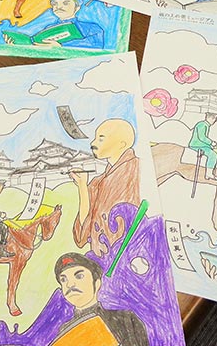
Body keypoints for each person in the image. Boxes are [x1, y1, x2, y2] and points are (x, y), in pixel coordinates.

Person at [69, 119, 141, 256]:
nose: (93, 143)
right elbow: (83, 235)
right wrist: (82, 186)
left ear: (122, 144)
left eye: (100, 139)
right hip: (101, 257)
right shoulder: (97, 182)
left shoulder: (137, 169)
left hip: (130, 255)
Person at [51, 252, 149, 346]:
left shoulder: (125, 320)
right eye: (63, 279)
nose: (69, 284)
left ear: (97, 283)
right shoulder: (64, 331)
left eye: (79, 276)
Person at [5, 0, 105, 49]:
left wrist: (62, 46)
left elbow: (96, 44)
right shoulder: (48, 28)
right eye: (55, 4)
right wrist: (17, 46)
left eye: (65, 3)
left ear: (77, 7)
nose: (58, 7)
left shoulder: (90, 27)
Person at [189, 112, 217, 181]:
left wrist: (210, 145)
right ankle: (209, 174)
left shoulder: (206, 125)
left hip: (201, 145)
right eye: (213, 119)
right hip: (197, 145)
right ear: (209, 118)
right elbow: (202, 137)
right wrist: (211, 142)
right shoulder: (202, 125)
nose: (214, 121)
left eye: (215, 119)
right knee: (213, 155)